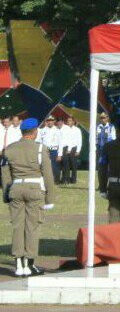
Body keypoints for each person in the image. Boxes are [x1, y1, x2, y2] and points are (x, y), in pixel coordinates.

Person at [2, 118, 56, 277]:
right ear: (35, 132)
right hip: (34, 190)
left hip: (16, 189)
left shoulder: (9, 149)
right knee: (32, 226)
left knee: (17, 226)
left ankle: (18, 263)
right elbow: (48, 174)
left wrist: (6, 194)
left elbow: (5, 174)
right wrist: (50, 198)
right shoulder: (40, 149)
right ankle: (29, 264)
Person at [60, 115, 83, 184]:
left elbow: (80, 140)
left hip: (74, 148)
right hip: (66, 148)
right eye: (67, 121)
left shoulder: (77, 129)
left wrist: (78, 150)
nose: (68, 122)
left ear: (73, 122)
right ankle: (65, 179)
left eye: (70, 121)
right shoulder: (64, 129)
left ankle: (73, 180)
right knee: (65, 165)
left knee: (73, 165)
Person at [38, 116, 60, 182]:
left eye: (51, 120)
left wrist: (60, 154)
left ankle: (55, 180)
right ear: (47, 121)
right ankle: (46, 180)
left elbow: (60, 143)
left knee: (54, 165)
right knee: (44, 165)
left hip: (54, 150)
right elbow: (40, 141)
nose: (50, 122)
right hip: (45, 150)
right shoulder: (42, 130)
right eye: (48, 120)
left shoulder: (57, 130)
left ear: (54, 121)